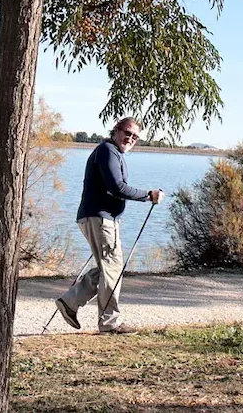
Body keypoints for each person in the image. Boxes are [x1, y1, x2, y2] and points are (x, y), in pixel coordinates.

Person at [55, 117, 163, 334]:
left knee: (109, 268)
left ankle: (70, 302)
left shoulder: (112, 153)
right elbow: (117, 188)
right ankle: (109, 324)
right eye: (127, 133)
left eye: (135, 137)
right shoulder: (107, 151)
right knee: (112, 268)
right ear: (116, 130)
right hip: (100, 218)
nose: (130, 138)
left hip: (100, 218)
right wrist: (147, 195)